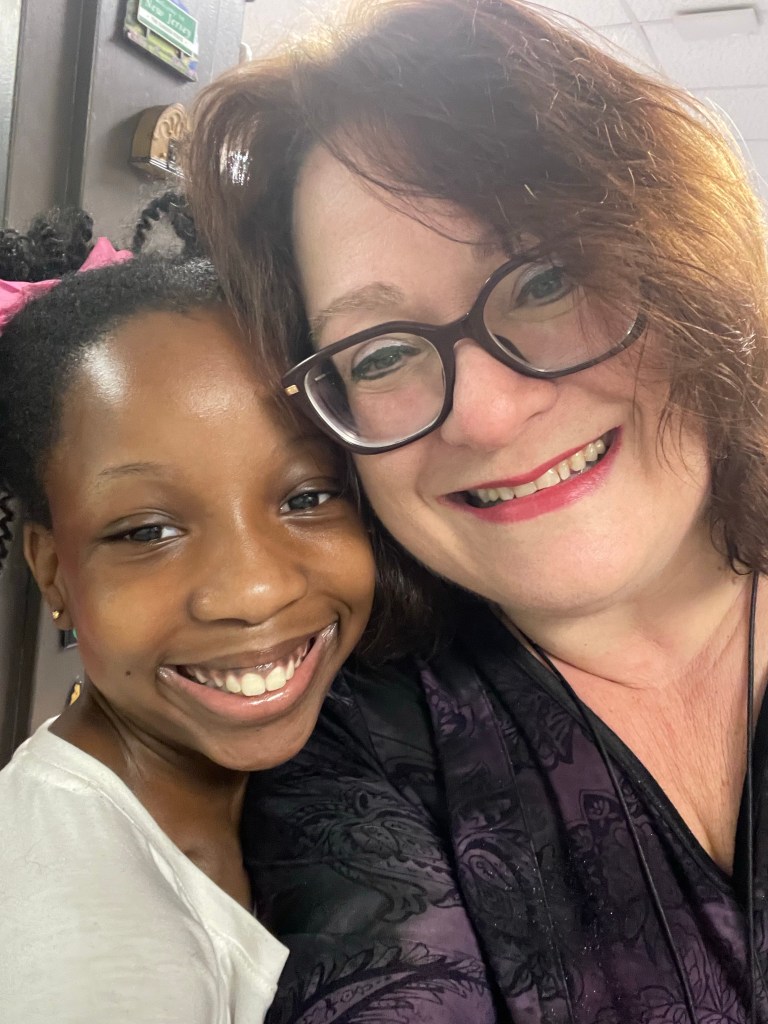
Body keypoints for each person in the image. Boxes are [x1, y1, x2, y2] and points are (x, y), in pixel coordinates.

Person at [184, 0, 768, 1022]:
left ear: (689, 269)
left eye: (545, 280)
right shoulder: (356, 745)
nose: (488, 415)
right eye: (380, 353)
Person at [0, 204, 403, 1022]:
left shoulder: (307, 777)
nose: (254, 591)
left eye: (308, 496)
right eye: (147, 531)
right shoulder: (87, 954)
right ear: (53, 572)